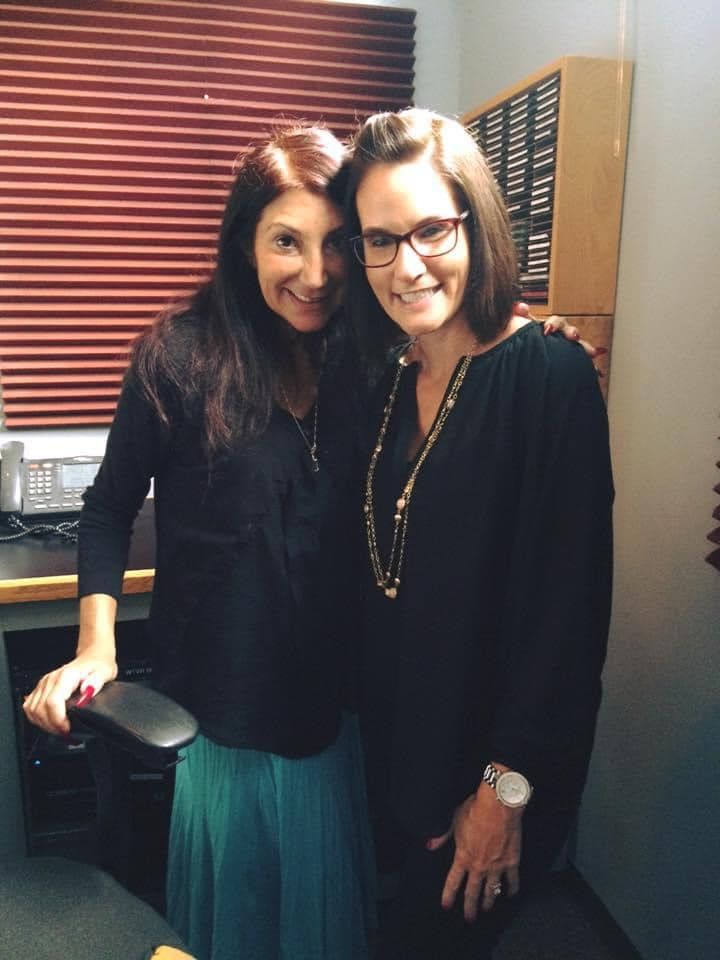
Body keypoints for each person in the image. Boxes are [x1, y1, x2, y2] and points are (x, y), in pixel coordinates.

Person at [22, 125, 375, 960]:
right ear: (244, 239)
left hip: (332, 702)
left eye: (335, 244)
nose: (314, 273)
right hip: (221, 701)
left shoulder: (369, 355)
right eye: (286, 241)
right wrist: (95, 648)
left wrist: (532, 337)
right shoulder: (178, 355)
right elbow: (107, 509)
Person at [341, 107, 614, 960]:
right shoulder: (389, 377)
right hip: (399, 756)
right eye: (379, 240)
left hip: (492, 782)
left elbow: (568, 631)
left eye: (430, 229)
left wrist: (504, 797)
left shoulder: (551, 377)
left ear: (476, 222)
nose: (406, 264)